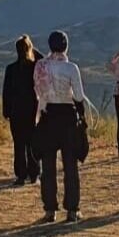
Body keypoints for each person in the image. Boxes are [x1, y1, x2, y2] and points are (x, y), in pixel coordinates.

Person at [33, 29, 90, 223]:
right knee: (70, 166)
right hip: (67, 118)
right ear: (66, 46)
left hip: (48, 116)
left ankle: (50, 210)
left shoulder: (41, 66)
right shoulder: (71, 68)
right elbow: (79, 97)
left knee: (48, 167)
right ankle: (72, 210)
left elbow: (39, 93)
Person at [3, 35, 41, 186]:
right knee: (32, 143)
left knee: (18, 144)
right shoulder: (35, 67)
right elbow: (43, 59)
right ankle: (34, 174)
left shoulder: (11, 69)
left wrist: (6, 111)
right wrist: (32, 49)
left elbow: (6, 92)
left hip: (16, 111)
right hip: (32, 111)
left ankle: (20, 175)